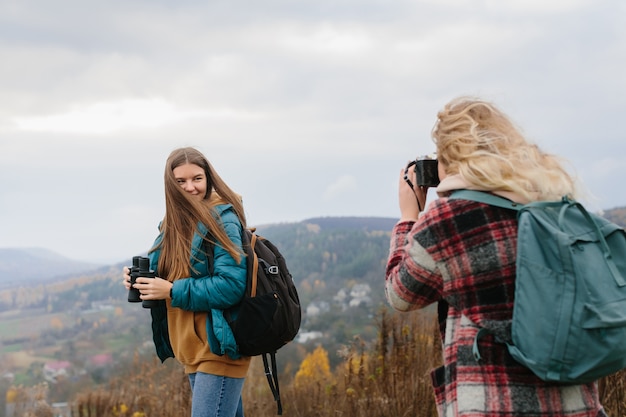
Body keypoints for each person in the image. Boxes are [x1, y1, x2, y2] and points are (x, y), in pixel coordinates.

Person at [385, 97, 608, 417]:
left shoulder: (452, 218)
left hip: (495, 403)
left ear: (452, 157)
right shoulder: (552, 203)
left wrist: (409, 217)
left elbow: (401, 292)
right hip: (576, 403)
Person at [123, 147, 250, 417]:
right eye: (181, 181)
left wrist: (170, 290)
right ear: (170, 185)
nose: (190, 187)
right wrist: (140, 282)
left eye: (197, 179)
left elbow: (230, 286)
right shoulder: (171, 223)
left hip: (218, 347)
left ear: (209, 179)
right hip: (190, 349)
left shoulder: (222, 218)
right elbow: (165, 275)